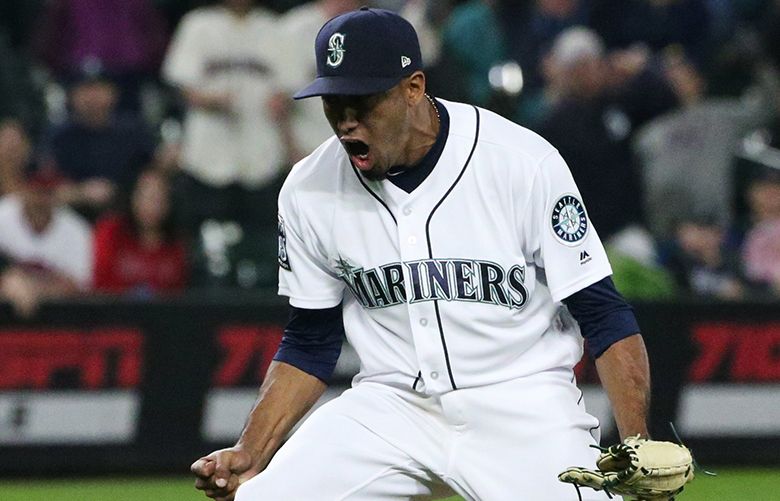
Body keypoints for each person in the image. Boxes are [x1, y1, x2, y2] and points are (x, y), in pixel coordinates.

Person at [192, 8, 652, 501]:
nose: (346, 121)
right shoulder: (309, 188)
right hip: (390, 409)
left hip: (521, 404)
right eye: (333, 101)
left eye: (362, 100)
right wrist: (251, 448)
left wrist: (637, 446)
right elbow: (310, 341)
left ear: (413, 88)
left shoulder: (520, 162)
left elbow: (603, 314)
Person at [0, 166, 92, 317]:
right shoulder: (2, 216)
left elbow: (78, 286)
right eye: (37, 190)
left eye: (49, 191)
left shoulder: (77, 229)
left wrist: (33, 290)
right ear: (22, 187)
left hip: (59, 322)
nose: (43, 198)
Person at [92, 169, 188, 295]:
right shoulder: (111, 232)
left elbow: (179, 295)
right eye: (146, 197)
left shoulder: (176, 245)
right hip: (114, 312)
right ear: (133, 197)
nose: (152, 206)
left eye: (159, 199)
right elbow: (99, 286)